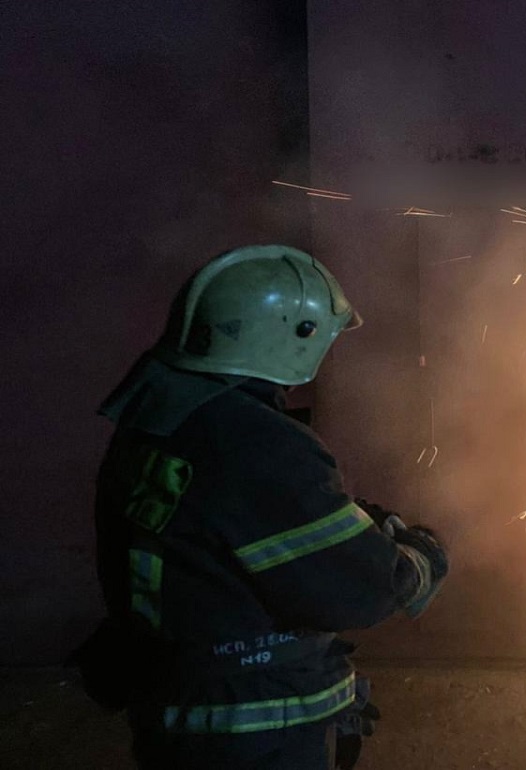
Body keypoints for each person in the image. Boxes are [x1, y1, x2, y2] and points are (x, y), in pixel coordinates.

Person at [75, 245, 448, 770]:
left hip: (178, 711)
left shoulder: (161, 415)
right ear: (295, 334)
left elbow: (235, 520)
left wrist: (341, 515)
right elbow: (357, 590)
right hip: (253, 728)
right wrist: (418, 556)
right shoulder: (255, 441)